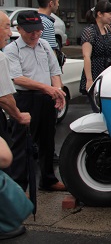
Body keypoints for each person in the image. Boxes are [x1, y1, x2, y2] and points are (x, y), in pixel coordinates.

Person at [4, 11, 66, 192]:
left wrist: (58, 92)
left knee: (47, 141)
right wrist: (48, 89)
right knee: (21, 143)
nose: (35, 34)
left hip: (46, 97)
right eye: (30, 31)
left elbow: (54, 71)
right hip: (25, 99)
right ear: (20, 29)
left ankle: (48, 179)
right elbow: (18, 78)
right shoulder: (11, 50)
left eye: (38, 30)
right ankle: (18, 186)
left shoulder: (45, 45)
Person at [0, 11, 31, 141]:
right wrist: (19, 116)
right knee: (5, 157)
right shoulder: (1, 58)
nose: (10, 33)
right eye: (7, 27)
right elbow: (4, 97)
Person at [80, 1, 111, 108]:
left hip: (107, 72)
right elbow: (86, 56)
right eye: (109, 13)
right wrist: (89, 80)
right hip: (95, 72)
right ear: (100, 14)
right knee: (98, 108)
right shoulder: (89, 31)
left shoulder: (108, 29)